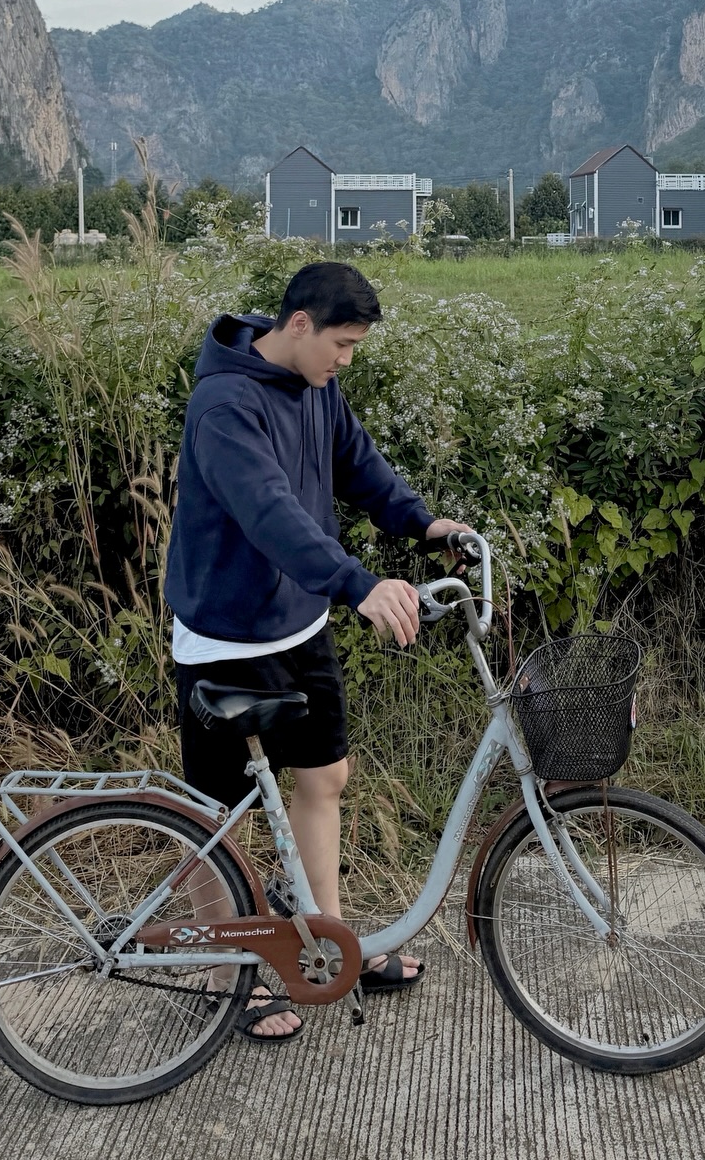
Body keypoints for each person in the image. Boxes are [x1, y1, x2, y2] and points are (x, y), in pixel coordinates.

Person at [165, 260, 454, 1043]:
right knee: (217, 818)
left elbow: (357, 463)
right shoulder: (223, 405)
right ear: (299, 325)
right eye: (343, 343)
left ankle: (326, 942)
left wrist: (422, 524)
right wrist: (356, 583)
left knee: (324, 775)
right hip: (225, 636)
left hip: (298, 626)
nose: (347, 360)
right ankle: (231, 978)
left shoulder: (317, 385)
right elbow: (271, 513)